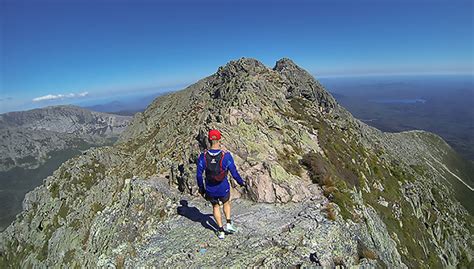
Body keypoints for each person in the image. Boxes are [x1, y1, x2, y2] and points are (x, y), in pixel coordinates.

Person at [196, 129, 245, 239]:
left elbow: (199, 175)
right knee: (226, 202)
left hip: (210, 188)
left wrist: (201, 188)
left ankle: (220, 230)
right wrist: (241, 182)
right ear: (219, 139)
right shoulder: (226, 156)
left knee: (215, 206)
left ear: (209, 139)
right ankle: (228, 223)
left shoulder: (203, 157)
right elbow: (234, 172)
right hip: (223, 187)